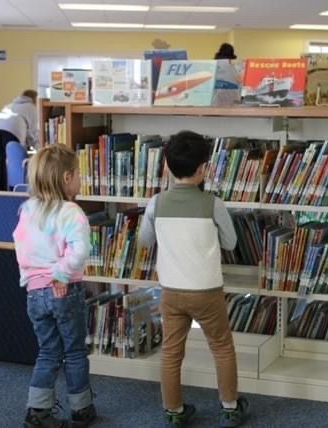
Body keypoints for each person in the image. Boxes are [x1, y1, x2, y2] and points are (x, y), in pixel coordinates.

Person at [139, 131, 249, 427]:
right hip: (207, 292)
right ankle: (230, 405)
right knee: (222, 347)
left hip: (171, 292)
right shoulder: (213, 204)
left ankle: (173, 411)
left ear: (166, 166)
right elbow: (230, 243)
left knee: (172, 352)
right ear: (204, 168)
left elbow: (144, 241)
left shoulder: (156, 204)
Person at [13, 144, 96, 428]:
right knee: (74, 352)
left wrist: (33, 279)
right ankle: (81, 408)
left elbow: (21, 249)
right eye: (79, 174)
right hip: (64, 291)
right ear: (66, 178)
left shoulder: (27, 210)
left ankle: (37, 411)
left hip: (34, 293)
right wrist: (60, 275)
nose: (80, 180)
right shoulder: (71, 212)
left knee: (48, 351)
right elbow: (80, 250)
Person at [0, 89, 38, 190]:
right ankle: (12, 189)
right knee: (14, 161)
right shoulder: (31, 107)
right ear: (34, 99)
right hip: (13, 128)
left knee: (0, 159)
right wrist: (39, 149)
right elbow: (33, 132)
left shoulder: (12, 104)